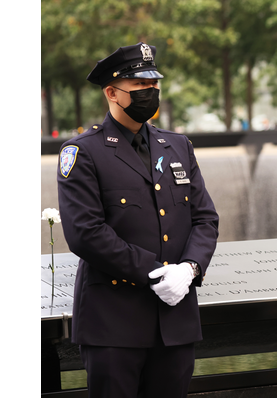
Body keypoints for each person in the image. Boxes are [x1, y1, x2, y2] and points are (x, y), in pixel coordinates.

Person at [57, 42, 219, 398]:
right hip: (114, 323)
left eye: (153, 85)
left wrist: (189, 268)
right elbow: (86, 233)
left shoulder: (177, 146)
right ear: (113, 93)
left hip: (175, 319)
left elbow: (204, 218)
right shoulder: (84, 152)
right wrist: (157, 271)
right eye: (139, 87)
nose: (150, 93)